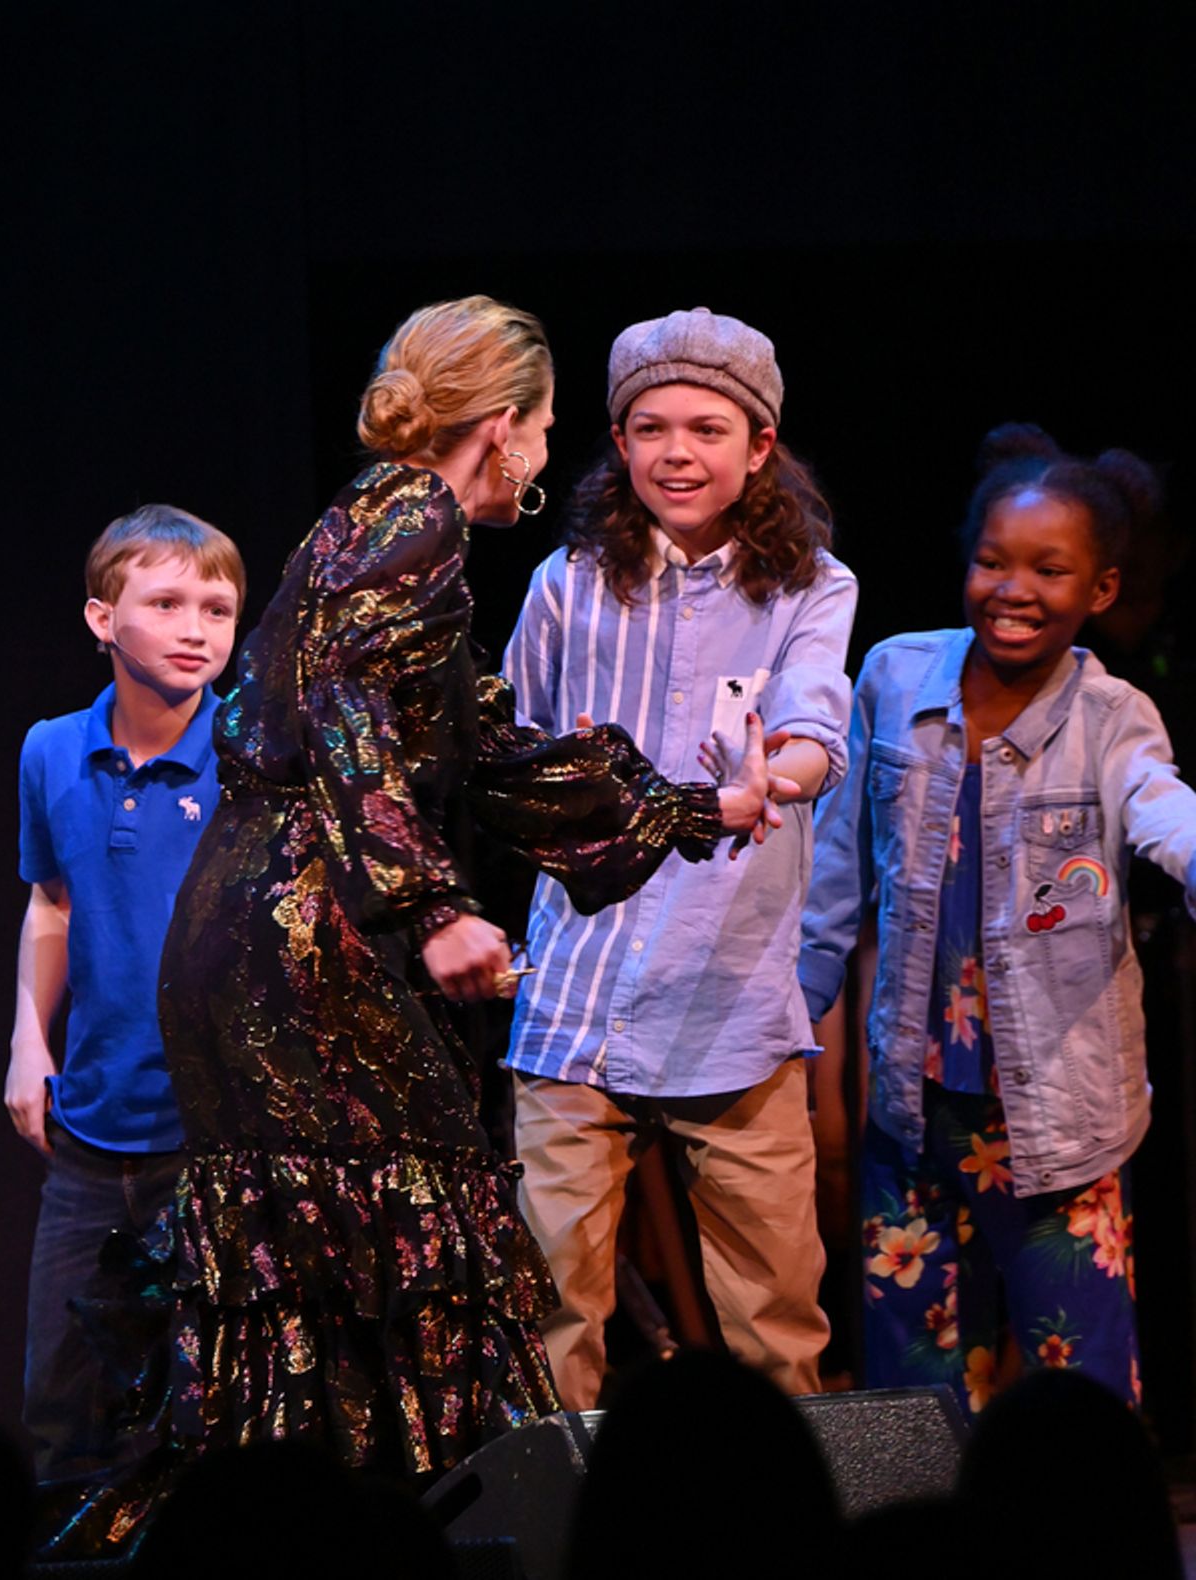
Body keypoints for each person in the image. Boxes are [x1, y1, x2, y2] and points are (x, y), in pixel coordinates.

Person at [50, 296, 777, 1543]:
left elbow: (479, 746)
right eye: (545, 427)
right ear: (502, 426)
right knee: (403, 1231)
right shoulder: (412, 515)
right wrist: (431, 903)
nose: (543, 454)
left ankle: (317, 1529)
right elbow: (342, 708)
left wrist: (694, 806)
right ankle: (396, 1531)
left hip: (273, 917)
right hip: (302, 927)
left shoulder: (379, 521)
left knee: (337, 1258)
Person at [799, 423, 1196, 1419]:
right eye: (992, 561)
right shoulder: (896, 676)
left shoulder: (1114, 716)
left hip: (1063, 1117)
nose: (1013, 589)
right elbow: (836, 872)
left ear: (1100, 589)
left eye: (1049, 570)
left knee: (1077, 1389)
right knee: (913, 1395)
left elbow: (1161, 805)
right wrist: (793, 1013)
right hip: (912, 1105)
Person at [504, 306, 858, 1406]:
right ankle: (556, 1506)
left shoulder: (811, 585)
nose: (677, 453)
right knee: (551, 1304)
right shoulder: (568, 583)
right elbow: (512, 751)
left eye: (708, 429)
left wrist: (771, 779)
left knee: (776, 1315)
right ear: (619, 442)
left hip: (728, 995)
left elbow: (814, 725)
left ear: (759, 446)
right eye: (651, 428)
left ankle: (786, 1501)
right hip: (578, 995)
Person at [7, 505, 246, 1481]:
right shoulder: (52, 750)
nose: (197, 629)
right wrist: (29, 1040)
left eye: (218, 609)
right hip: (93, 1130)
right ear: (103, 619)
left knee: (208, 1409)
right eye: (167, 603)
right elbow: (52, 900)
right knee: (62, 1409)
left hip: (217, 1133)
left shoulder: (253, 754)